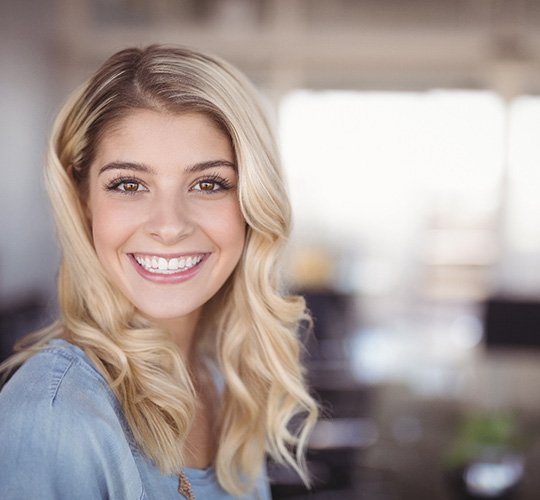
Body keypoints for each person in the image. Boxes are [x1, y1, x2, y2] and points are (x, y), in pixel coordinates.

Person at [0, 45, 318, 499]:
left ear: (251, 200)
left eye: (209, 184)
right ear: (83, 198)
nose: (169, 225)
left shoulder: (222, 383)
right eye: (129, 185)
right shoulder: (54, 416)